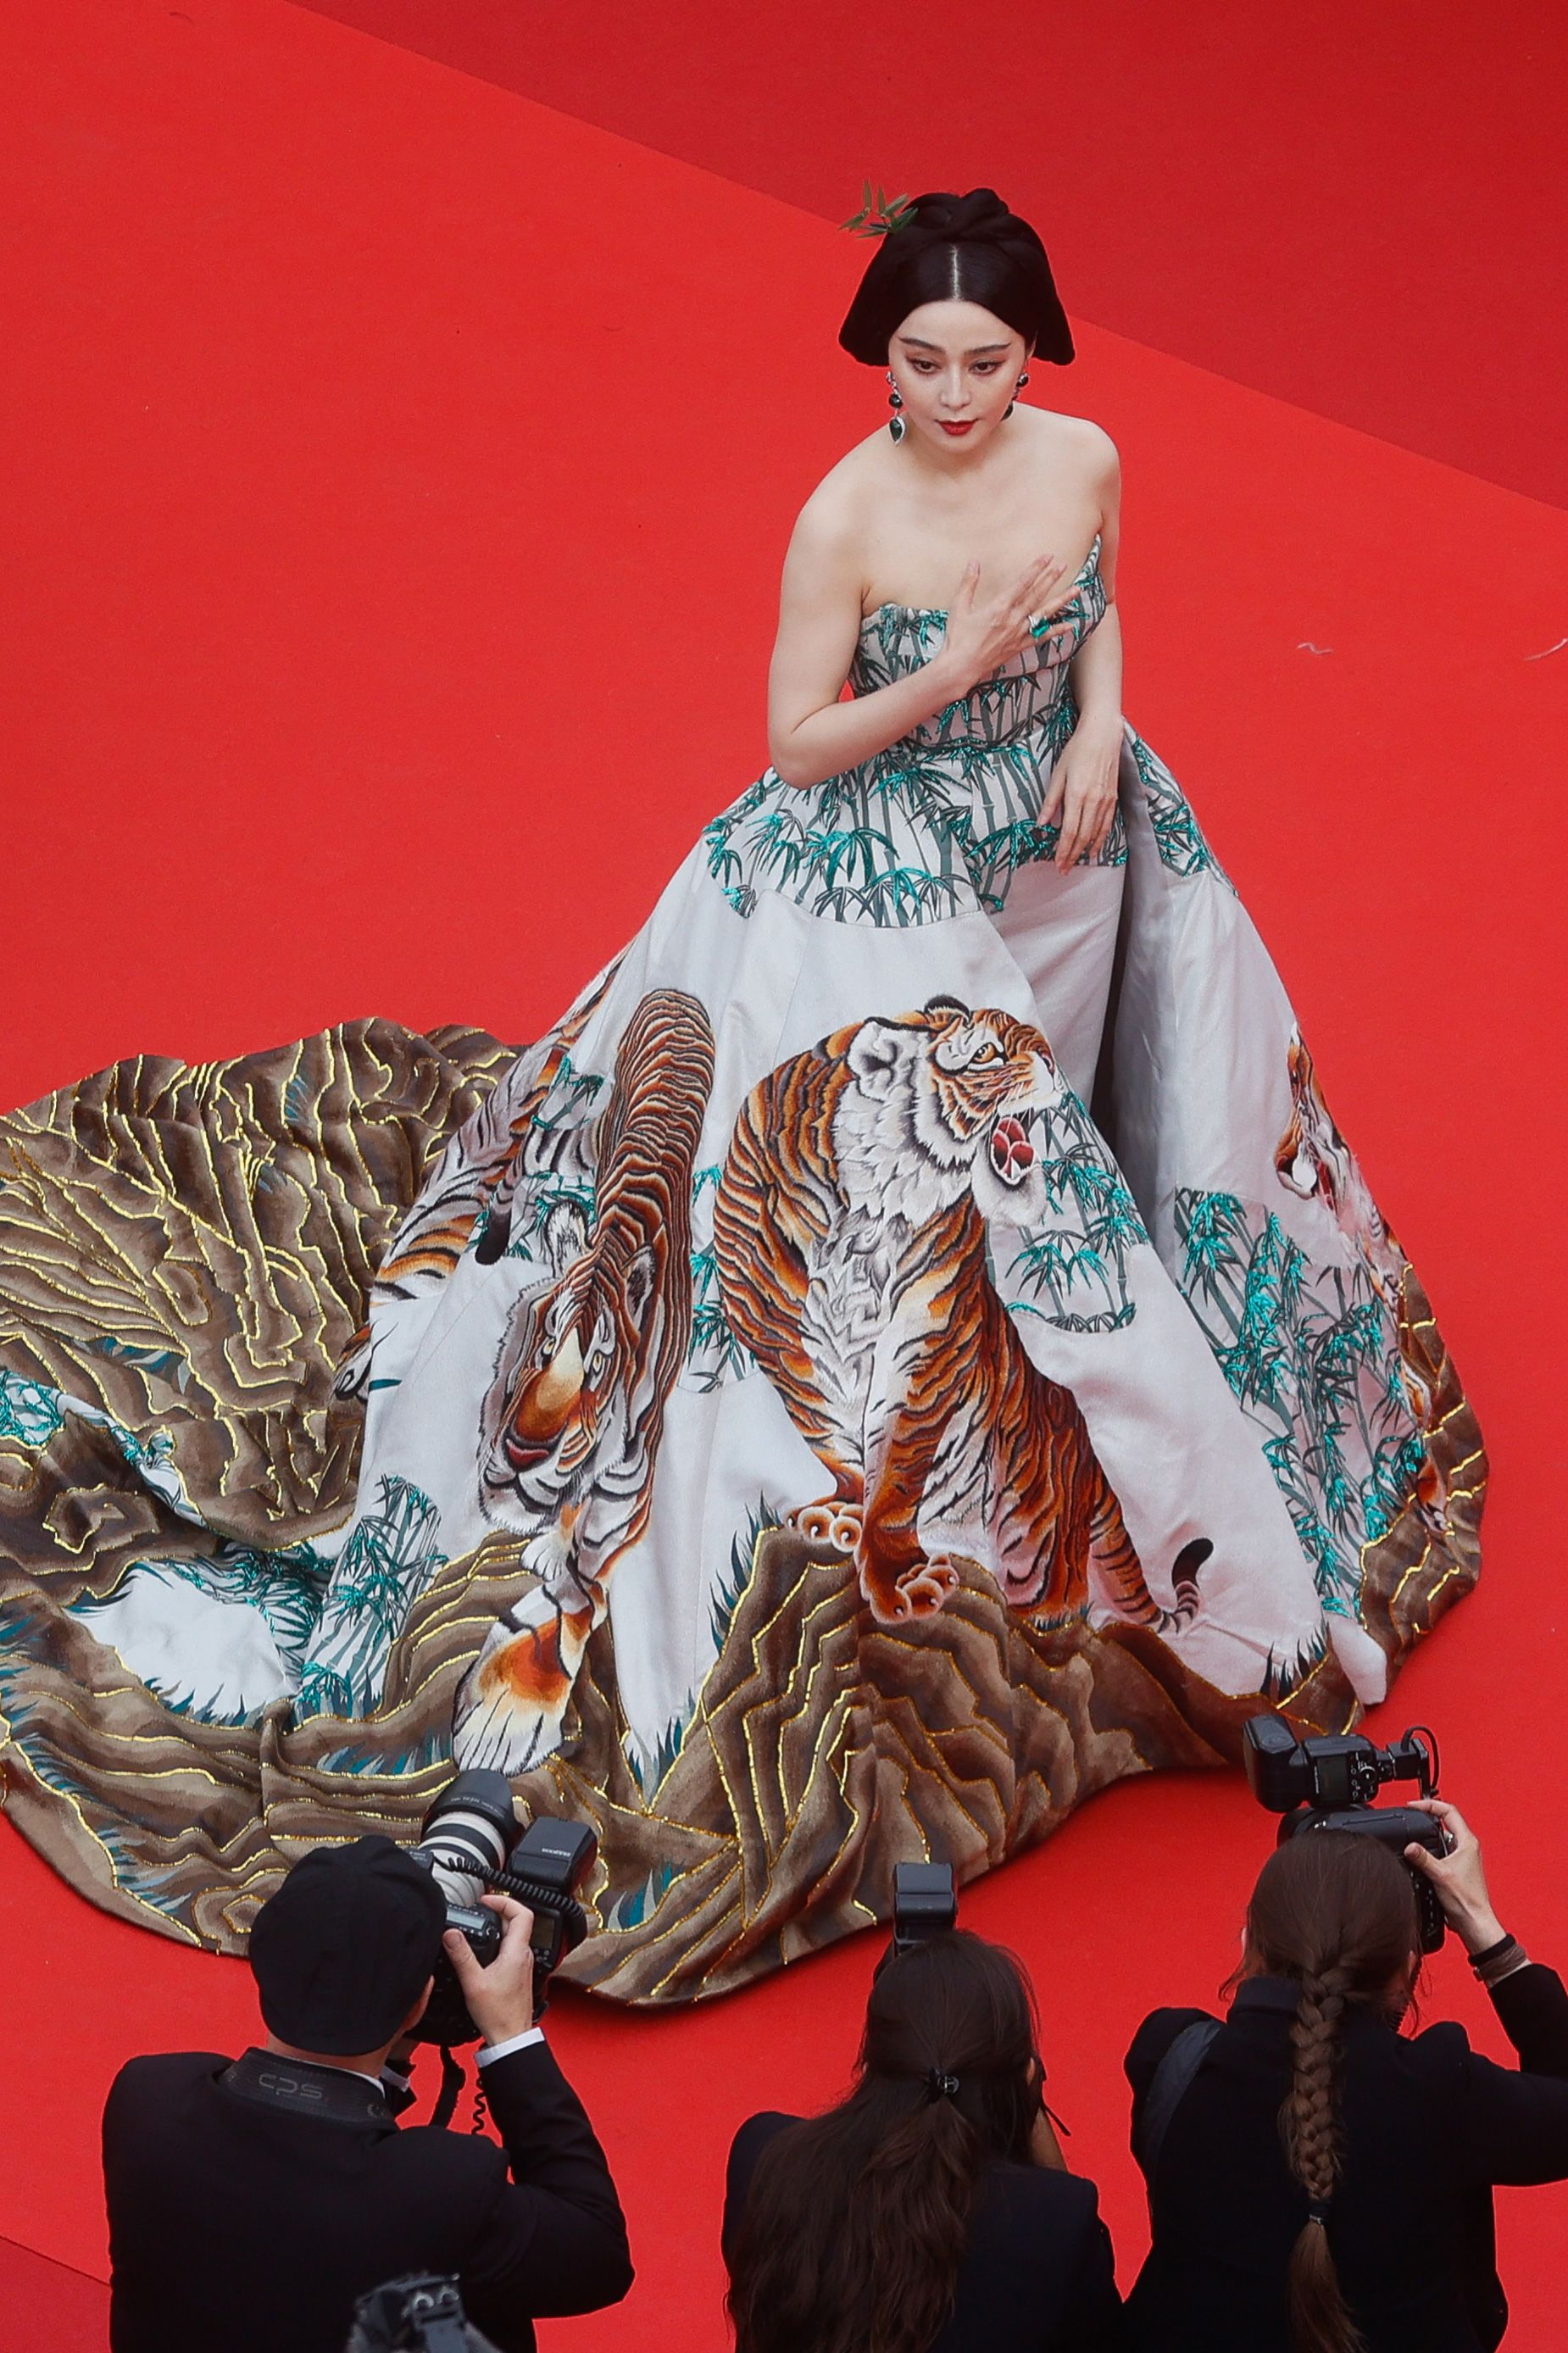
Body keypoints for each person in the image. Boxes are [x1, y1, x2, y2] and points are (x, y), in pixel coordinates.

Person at [1, 186, 1482, 2005]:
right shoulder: (843, 515)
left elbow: (1099, 610)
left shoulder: (1087, 454)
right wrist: (949, 667)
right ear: (882, 358)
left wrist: (1096, 718)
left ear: (1039, 356)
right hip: (877, 867)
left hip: (1068, 840)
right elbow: (790, 743)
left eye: (987, 361)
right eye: (922, 360)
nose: (953, 391)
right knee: (946, 1194)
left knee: (1128, 1099)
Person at [102, 1836, 632, 2353]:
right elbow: (598, 2256)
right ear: (423, 1999)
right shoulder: (448, 2192)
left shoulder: (147, 2101)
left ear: (263, 1960)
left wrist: (389, 2042)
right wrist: (512, 2039)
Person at [1124, 1805, 1568, 2352]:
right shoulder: (1442, 2091)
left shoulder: (1167, 2057)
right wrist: (1490, 1940)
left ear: (1247, 1946)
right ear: (1407, 1970)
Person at [723, 1927, 1120, 2352]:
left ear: (873, 2054)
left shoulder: (764, 2159)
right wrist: (1035, 2125)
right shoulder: (1055, 2224)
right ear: (1024, 2079)